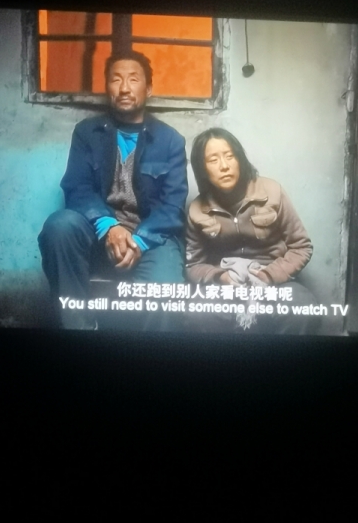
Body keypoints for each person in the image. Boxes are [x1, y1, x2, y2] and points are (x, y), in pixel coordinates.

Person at [38, 51, 187, 329]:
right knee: (59, 226)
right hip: (97, 230)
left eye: (133, 79)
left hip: (151, 237)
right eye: (116, 79)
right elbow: (77, 187)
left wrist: (139, 241)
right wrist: (109, 227)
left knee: (165, 289)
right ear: (107, 88)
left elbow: (173, 205)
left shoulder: (170, 140)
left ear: (149, 89)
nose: (124, 88)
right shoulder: (87, 132)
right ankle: (79, 329)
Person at [185, 128, 316, 333]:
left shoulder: (272, 191)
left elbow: (301, 247)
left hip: (274, 282)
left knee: (303, 307)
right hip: (226, 286)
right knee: (196, 311)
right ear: (202, 169)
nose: (224, 166)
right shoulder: (197, 209)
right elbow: (193, 265)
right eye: (213, 160)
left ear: (240, 159)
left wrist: (268, 275)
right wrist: (221, 277)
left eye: (230, 156)